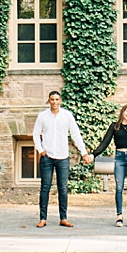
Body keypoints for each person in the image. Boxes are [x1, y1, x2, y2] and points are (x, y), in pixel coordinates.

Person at [31, 90, 92, 228]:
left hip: (63, 156)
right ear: (49, 101)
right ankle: (42, 218)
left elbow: (76, 135)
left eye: (57, 99)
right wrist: (41, 150)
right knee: (45, 187)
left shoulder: (67, 116)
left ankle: (63, 218)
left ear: (60, 101)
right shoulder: (42, 116)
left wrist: (84, 153)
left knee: (63, 188)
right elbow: (35, 134)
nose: (54, 102)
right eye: (52, 99)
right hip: (47, 156)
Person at [91, 104, 127, 227]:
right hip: (119, 158)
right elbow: (105, 142)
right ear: (122, 112)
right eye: (126, 111)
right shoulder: (114, 126)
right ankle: (119, 216)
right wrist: (93, 154)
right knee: (119, 187)